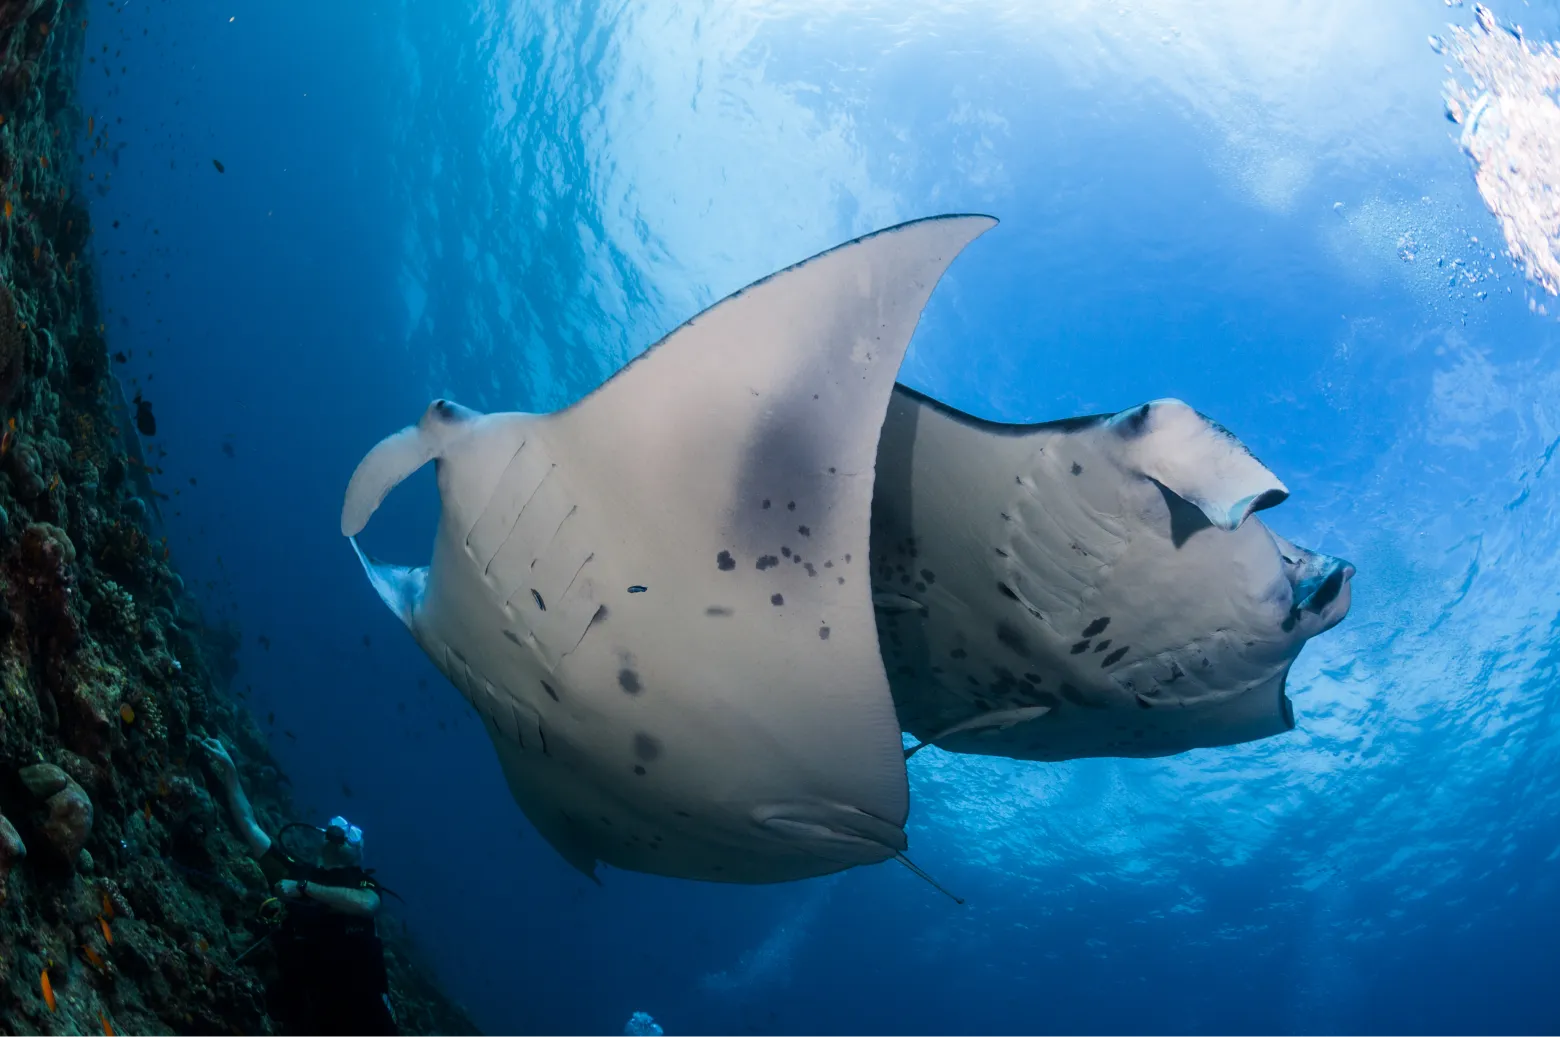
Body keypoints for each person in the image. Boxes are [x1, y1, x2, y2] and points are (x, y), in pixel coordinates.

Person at [198, 736, 399, 1037]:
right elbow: (251, 826)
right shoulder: (294, 869)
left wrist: (303, 888)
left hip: (367, 1019)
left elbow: (366, 905)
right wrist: (231, 773)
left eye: (355, 835)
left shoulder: (361, 882)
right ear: (325, 835)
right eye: (342, 827)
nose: (347, 834)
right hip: (313, 1016)